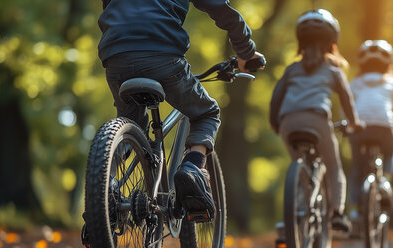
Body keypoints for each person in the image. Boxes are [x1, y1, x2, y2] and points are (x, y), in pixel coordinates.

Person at [97, 0, 264, 216]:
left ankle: (102, 188)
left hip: (115, 57)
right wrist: (246, 52)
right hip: (163, 56)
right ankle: (193, 168)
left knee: (132, 124)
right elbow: (221, 9)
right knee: (208, 113)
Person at [269, 9, 362, 232]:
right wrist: (354, 122)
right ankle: (338, 213)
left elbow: (276, 98)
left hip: (288, 121)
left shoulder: (291, 69)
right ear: (332, 42)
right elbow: (347, 100)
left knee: (299, 166)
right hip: (318, 120)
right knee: (333, 167)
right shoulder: (334, 70)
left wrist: (276, 124)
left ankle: (299, 210)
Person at [348, 40, 393, 216]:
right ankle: (385, 180)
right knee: (392, 152)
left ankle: (354, 210)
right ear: (388, 63)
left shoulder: (355, 83)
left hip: (359, 128)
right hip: (384, 128)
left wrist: (348, 126)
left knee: (356, 169)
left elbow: (346, 106)